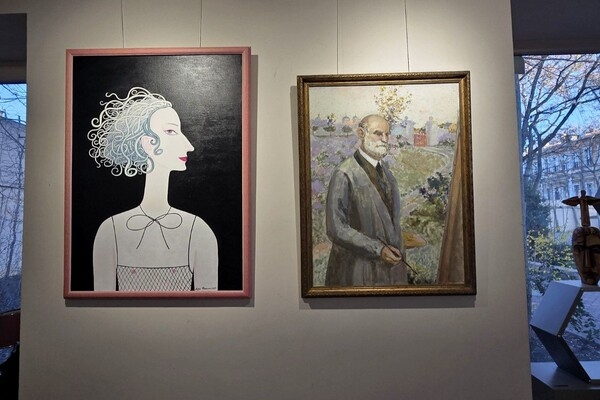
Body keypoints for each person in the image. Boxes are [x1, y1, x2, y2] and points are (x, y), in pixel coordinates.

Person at [88, 87, 218, 292]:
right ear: (148, 143)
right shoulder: (110, 231)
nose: (189, 145)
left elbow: (211, 305)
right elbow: (101, 304)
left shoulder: (199, 230)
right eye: (171, 131)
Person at [325, 114, 406, 286]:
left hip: (390, 274)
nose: (384, 139)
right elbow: (336, 228)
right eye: (378, 133)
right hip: (355, 273)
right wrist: (378, 249)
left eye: (387, 134)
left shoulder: (388, 174)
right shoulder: (344, 173)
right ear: (361, 133)